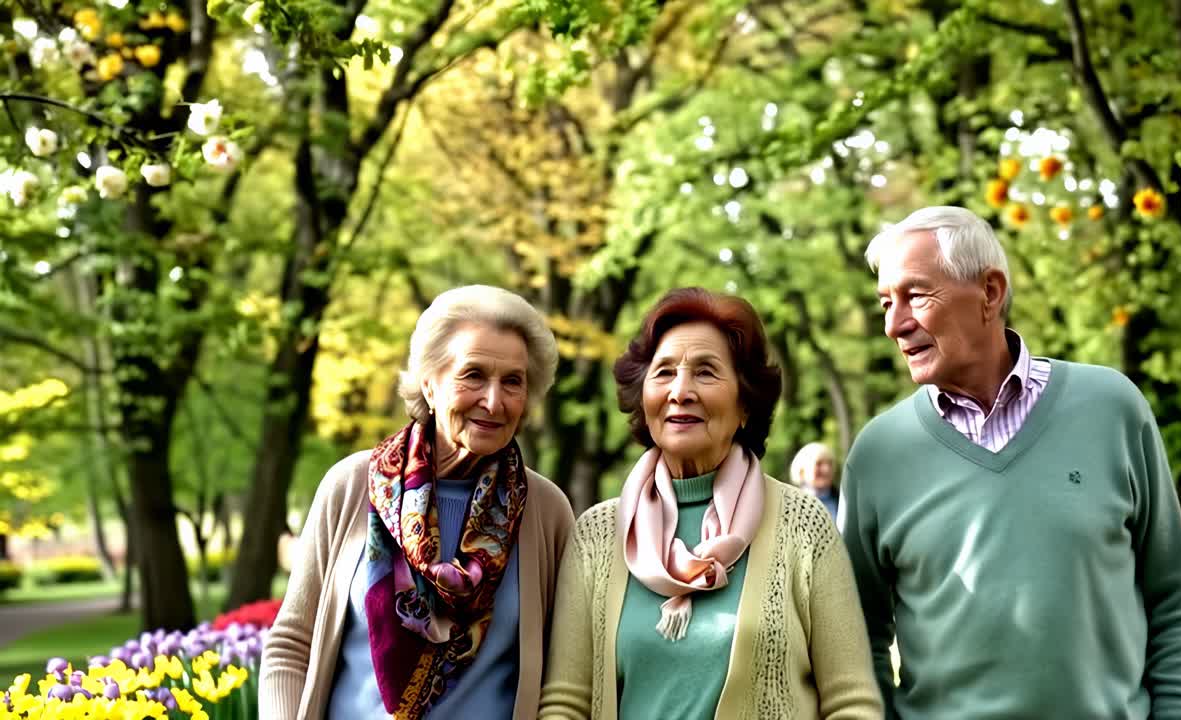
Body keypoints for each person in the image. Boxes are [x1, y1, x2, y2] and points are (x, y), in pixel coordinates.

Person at [839, 206, 1181, 718]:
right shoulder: (878, 454)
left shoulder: (1113, 408)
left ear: (990, 292)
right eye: (885, 302)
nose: (894, 325)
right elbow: (855, 638)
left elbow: (1174, 600)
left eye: (915, 296)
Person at [539, 287, 882, 720]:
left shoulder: (803, 524)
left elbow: (852, 702)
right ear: (643, 398)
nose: (680, 391)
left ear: (745, 403)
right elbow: (565, 704)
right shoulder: (597, 534)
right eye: (664, 373)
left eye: (705, 372)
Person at [260, 285, 575, 719]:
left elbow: (565, 676)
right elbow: (291, 643)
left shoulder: (545, 511)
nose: (493, 400)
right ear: (429, 383)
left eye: (513, 382)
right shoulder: (352, 486)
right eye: (473, 375)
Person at [790, 442, 838, 517]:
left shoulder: (844, 501)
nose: (826, 469)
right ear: (802, 471)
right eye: (819, 464)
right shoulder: (790, 504)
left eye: (830, 463)